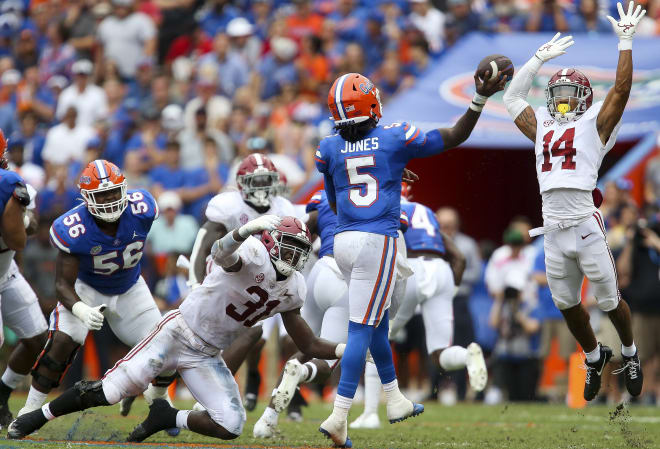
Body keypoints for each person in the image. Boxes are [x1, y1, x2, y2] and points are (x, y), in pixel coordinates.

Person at [8, 216, 346, 442]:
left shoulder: (295, 287)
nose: (294, 257)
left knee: (231, 425)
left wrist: (344, 350)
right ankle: (40, 415)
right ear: (270, 242)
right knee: (111, 392)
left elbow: (308, 340)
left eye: (300, 252)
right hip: (177, 332)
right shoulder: (254, 251)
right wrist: (244, 230)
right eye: (288, 247)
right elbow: (219, 251)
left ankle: (167, 416)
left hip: (207, 354)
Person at [315, 69, 505, 446]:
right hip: (378, 240)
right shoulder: (393, 135)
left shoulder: (329, 147)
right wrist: (479, 99)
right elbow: (454, 136)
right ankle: (339, 415)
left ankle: (396, 398)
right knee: (361, 330)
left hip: (345, 240)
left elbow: (336, 199)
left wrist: (388, 170)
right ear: (370, 104)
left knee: (378, 323)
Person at [501, 1, 646, 402]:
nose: (563, 100)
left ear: (583, 97)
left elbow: (621, 89)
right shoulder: (544, 126)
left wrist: (626, 40)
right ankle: (595, 355)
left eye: (570, 94)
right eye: (558, 93)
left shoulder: (595, 123)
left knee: (609, 299)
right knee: (566, 304)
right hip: (551, 226)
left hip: (584, 221)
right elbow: (512, 100)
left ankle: (630, 353)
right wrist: (534, 60)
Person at [16, 160, 175, 425]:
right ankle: (29, 408)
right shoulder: (74, 227)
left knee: (165, 347)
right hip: (86, 289)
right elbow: (62, 284)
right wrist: (80, 309)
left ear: (124, 189)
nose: (110, 199)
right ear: (87, 198)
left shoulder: (142, 208)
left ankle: (159, 403)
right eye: (102, 194)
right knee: (63, 342)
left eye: (114, 192)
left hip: (129, 288)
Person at [351, 192, 487, 429]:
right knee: (439, 353)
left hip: (411, 268)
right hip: (441, 270)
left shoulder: (386, 208)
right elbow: (460, 258)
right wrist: (450, 291)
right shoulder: (426, 212)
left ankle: (370, 413)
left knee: (377, 340)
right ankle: (467, 356)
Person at [188, 153, 296, 410]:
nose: (261, 188)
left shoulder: (284, 208)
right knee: (204, 339)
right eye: (255, 182)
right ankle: (181, 388)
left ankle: (223, 391)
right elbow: (203, 245)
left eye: (265, 181)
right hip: (227, 279)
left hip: (263, 280)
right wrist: (195, 284)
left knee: (255, 336)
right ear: (241, 184)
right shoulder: (228, 206)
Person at [0, 130, 37, 425]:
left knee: (38, 338)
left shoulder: (11, 184)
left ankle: (2, 393)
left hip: (7, 270)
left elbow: (24, 235)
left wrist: (20, 218)